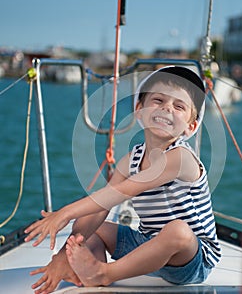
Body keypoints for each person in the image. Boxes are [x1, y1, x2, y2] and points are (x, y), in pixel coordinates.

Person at [25, 66, 221, 293]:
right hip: (149, 247)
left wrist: (64, 212)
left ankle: (106, 273)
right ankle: (90, 271)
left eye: (179, 106)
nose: (167, 108)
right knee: (89, 225)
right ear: (139, 110)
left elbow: (121, 192)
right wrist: (61, 256)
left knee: (178, 230)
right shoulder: (131, 159)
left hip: (192, 260)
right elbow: (103, 204)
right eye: (158, 100)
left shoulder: (181, 157)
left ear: (191, 126)